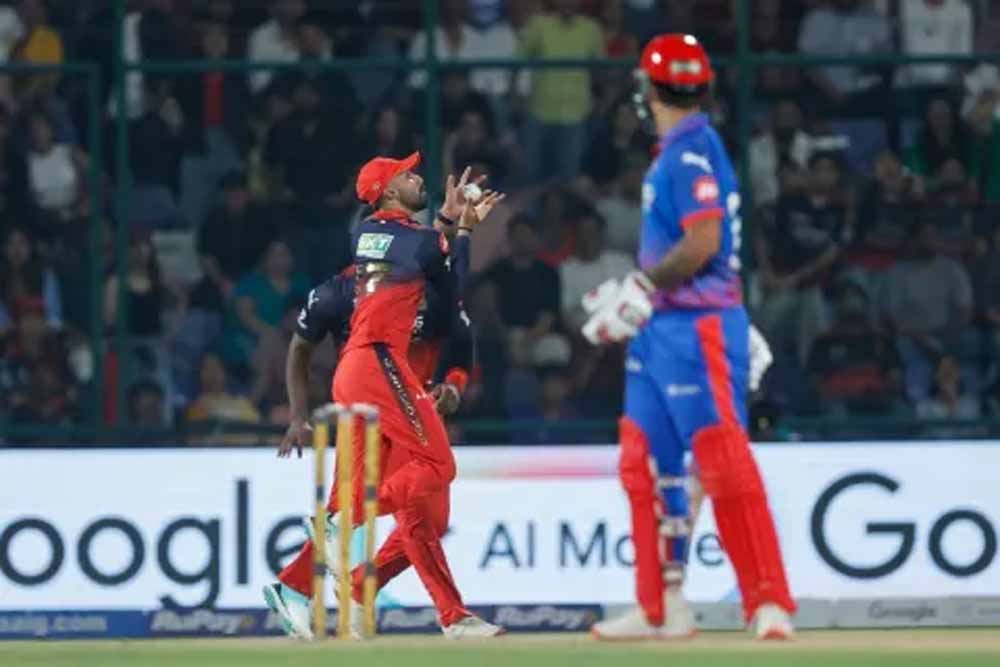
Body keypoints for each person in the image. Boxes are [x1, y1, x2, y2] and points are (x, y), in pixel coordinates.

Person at [580, 34, 795, 641]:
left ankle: (768, 601)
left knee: (721, 461)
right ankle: (660, 607)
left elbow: (703, 242)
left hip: (695, 326)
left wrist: (642, 285)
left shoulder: (691, 151)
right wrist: (647, 295)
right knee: (644, 463)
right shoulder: (681, 149)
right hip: (664, 325)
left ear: (650, 89)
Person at [269, 153, 505, 640]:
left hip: (384, 386)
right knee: (428, 488)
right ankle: (452, 616)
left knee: (420, 514)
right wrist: (458, 229)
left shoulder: (390, 246)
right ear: (389, 192)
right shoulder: (351, 281)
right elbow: (300, 347)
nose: (417, 175)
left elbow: (457, 323)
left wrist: (452, 228)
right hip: (378, 379)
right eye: (407, 172)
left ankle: (305, 585)